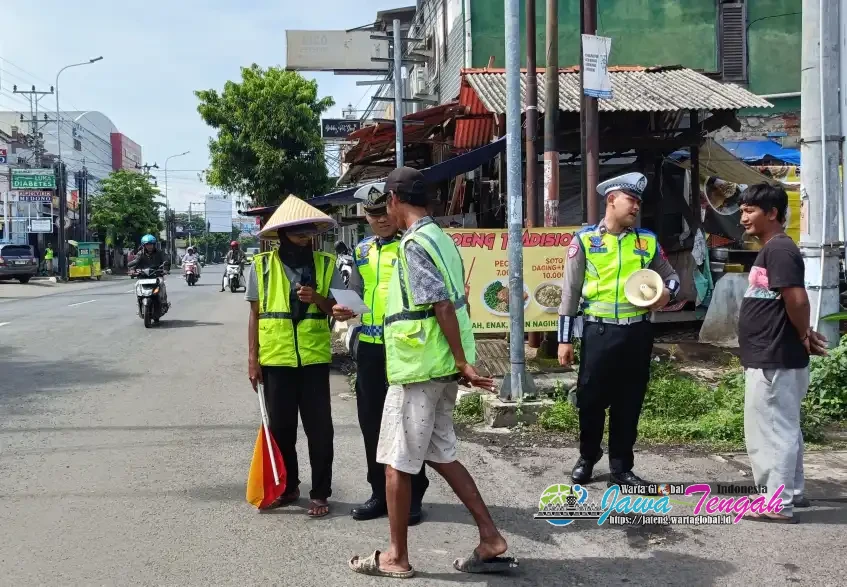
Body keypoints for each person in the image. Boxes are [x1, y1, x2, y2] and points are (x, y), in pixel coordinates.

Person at [349, 167, 515, 579]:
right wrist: (458, 362)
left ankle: (396, 556)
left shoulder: (413, 244)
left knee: (396, 462)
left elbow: (440, 304)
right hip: (437, 366)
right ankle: (490, 537)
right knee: (442, 454)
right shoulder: (441, 237)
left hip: (419, 368)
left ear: (392, 200)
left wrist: (463, 362)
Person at [557, 172, 681, 488]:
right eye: (632, 200)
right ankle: (587, 456)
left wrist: (667, 294)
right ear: (612, 200)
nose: (636, 207)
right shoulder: (585, 240)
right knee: (590, 400)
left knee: (629, 402)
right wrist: (564, 339)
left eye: (639, 201)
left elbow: (672, 278)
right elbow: (569, 292)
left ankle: (621, 467)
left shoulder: (647, 241)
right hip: (598, 333)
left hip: (637, 334)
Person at [333, 183, 430, 526]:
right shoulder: (361, 252)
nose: (380, 220)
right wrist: (342, 309)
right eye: (373, 215)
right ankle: (379, 492)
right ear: (365, 216)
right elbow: (356, 293)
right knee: (371, 422)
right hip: (371, 349)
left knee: (409, 425)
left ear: (393, 208)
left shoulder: (412, 246)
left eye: (383, 212)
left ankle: (413, 495)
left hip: (404, 348)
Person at [245, 195, 345, 518]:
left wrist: (316, 297)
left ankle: (320, 493)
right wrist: (252, 358)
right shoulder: (260, 267)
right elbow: (255, 315)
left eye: (308, 233)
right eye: (299, 232)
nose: (305, 238)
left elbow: (340, 311)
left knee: (320, 431)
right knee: (281, 430)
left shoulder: (327, 265)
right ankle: (289, 487)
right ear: (284, 234)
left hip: (314, 361)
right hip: (276, 362)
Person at [737, 183, 828, 523]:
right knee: (784, 427)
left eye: (750, 210)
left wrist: (803, 334)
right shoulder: (774, 249)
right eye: (743, 210)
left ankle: (776, 505)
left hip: (774, 356)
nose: (743, 217)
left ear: (772, 213)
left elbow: (797, 299)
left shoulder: (779, 250)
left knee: (772, 432)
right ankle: (793, 492)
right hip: (772, 354)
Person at [128, 234, 170, 306]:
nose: (149, 246)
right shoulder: (140, 253)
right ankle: (138, 302)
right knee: (136, 285)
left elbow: (166, 261)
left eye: (151, 244)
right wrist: (132, 270)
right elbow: (135, 262)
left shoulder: (160, 252)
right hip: (143, 275)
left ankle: (164, 301)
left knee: (161, 283)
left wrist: (165, 270)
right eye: (147, 244)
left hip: (156, 273)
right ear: (144, 245)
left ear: (154, 245)